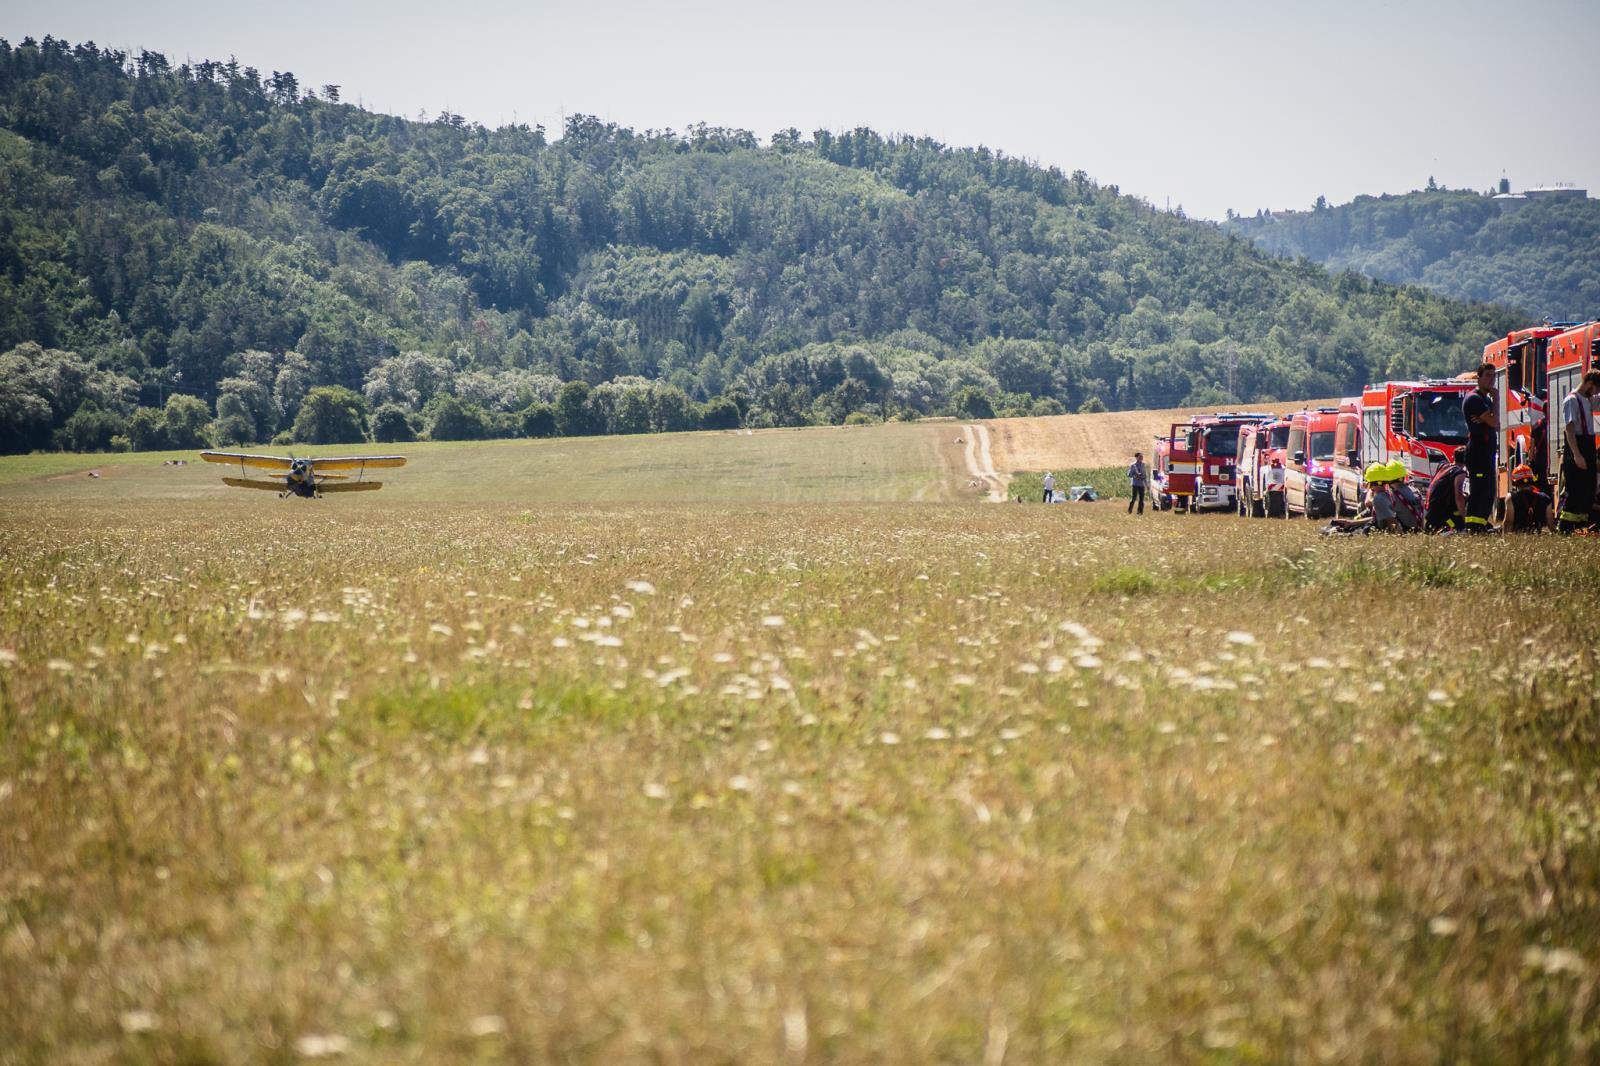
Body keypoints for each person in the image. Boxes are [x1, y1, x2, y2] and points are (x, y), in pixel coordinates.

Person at [1558, 370, 1600, 532]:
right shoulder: (1572, 400)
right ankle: (1566, 527)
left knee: (1588, 490)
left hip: (1588, 445)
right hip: (1577, 446)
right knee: (1575, 491)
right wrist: (1577, 455)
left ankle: (1581, 526)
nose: (1596, 393)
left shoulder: (1587, 399)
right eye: (1596, 389)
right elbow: (1569, 429)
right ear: (1590, 384)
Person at [1461, 363, 1499, 532]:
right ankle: (1474, 527)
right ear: (1479, 377)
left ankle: (1480, 524)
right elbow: (1495, 422)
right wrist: (1496, 400)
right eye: (1487, 376)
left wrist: (1488, 418)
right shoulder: (1475, 399)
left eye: (1493, 376)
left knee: (1489, 490)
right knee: (1480, 491)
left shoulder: (1484, 399)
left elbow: (1492, 423)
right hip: (1478, 452)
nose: (1491, 379)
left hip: (1486, 452)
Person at [1424, 447, 1470, 532]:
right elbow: (1458, 497)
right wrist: (1466, 519)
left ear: (1453, 457)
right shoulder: (1459, 473)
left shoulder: (1443, 466)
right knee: (1462, 527)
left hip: (1429, 511)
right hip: (1441, 515)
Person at [1505, 463, 1555, 532]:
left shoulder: (1511, 498)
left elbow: (1508, 522)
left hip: (1518, 537)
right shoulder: (1545, 498)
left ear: (1514, 482)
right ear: (1532, 479)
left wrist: (1504, 539)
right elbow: (1551, 524)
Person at [1388, 461, 1424, 532]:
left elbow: (1385, 516)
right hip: (1419, 530)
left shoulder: (1394, 496)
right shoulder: (1416, 491)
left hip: (1405, 533)